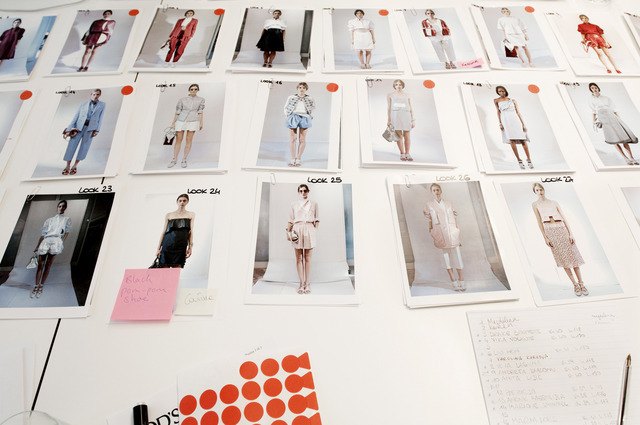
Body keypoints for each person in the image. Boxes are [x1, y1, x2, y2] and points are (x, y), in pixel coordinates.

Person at [532, 183, 587, 297]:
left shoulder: (554, 202)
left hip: (562, 228)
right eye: (537, 190)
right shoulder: (535, 204)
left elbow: (564, 218)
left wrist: (570, 233)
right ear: (535, 192)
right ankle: (575, 285)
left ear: (544, 190)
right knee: (563, 259)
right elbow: (539, 222)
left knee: (573, 257)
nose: (540, 192)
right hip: (550, 231)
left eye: (541, 189)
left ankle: (581, 283)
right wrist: (545, 237)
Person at [423, 183, 465, 291]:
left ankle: (461, 279)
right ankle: (453, 280)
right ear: (431, 192)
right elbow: (429, 217)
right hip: (440, 232)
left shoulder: (449, 203)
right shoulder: (429, 205)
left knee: (457, 255)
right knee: (445, 257)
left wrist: (457, 230)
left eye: (438, 190)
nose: (436, 192)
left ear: (441, 191)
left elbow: (454, 217)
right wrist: (432, 229)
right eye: (434, 190)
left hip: (452, 232)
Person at [588, 83, 638, 165]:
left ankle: (632, 158)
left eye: (595, 87)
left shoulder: (606, 98)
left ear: (598, 88)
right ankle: (626, 159)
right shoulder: (591, 100)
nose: (594, 89)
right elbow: (593, 112)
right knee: (613, 139)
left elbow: (614, 109)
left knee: (623, 137)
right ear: (591, 90)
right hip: (603, 119)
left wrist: (619, 119)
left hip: (612, 116)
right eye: (592, 88)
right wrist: (594, 122)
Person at [31, 200, 71, 298]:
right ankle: (35, 286)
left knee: (48, 265)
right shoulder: (49, 220)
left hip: (56, 241)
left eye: (63, 206)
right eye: (59, 206)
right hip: (46, 240)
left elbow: (67, 232)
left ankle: (41, 286)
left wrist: (61, 241)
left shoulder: (67, 219)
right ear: (57, 207)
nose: (61, 208)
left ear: (65, 208)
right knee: (40, 265)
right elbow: (43, 234)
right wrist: (37, 246)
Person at [62, 88, 105, 176]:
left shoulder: (102, 105)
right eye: (94, 94)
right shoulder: (83, 104)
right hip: (78, 128)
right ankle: (67, 166)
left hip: (90, 129)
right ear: (91, 94)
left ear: (99, 95)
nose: (95, 96)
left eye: (97, 94)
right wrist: (69, 129)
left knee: (84, 148)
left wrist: (97, 130)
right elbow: (75, 117)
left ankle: (75, 166)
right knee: (71, 146)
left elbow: (101, 118)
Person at [286, 184, 319, 294]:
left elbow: (317, 219)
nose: (303, 193)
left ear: (308, 191)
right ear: (298, 192)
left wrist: (314, 230)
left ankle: (307, 283)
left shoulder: (314, 203)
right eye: (301, 191)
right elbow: (291, 220)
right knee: (299, 258)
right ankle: (301, 284)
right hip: (297, 229)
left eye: (305, 191)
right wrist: (288, 233)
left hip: (309, 228)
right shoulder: (293, 204)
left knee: (308, 258)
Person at [494, 85, 533, 170]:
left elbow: (518, 112)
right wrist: (500, 123)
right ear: (497, 92)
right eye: (499, 91)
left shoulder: (512, 100)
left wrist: (523, 124)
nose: (501, 93)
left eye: (503, 91)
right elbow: (498, 112)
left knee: (523, 140)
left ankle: (529, 159)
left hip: (515, 119)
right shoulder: (496, 100)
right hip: (505, 120)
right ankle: (519, 159)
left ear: (505, 91)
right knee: (511, 140)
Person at [168, 84, 204, 168]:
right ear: (189, 90)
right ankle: (174, 159)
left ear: (197, 90)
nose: (193, 90)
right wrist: (173, 123)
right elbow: (177, 112)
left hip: (194, 120)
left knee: (189, 140)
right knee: (178, 140)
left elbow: (200, 112)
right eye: (192, 89)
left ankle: (184, 159)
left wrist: (201, 123)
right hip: (181, 120)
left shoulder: (201, 100)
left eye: (195, 89)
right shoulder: (182, 99)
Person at [156, 194, 195, 268]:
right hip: (167, 244)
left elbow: (191, 232)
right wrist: (158, 248)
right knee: (164, 270)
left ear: (187, 202)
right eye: (180, 200)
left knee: (176, 270)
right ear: (177, 202)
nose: (182, 202)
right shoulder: (169, 215)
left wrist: (190, 247)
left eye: (184, 201)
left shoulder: (191, 214)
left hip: (181, 246)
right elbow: (164, 231)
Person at [284, 82, 315, 167]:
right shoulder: (291, 97)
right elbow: (286, 107)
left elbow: (313, 107)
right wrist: (287, 116)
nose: (302, 89)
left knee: (302, 139)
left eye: (304, 88)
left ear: (306, 89)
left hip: (305, 117)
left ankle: (298, 159)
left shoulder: (310, 98)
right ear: (297, 88)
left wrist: (309, 116)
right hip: (293, 116)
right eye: (300, 87)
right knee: (293, 139)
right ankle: (293, 159)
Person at [387, 79, 415, 161]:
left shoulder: (408, 95)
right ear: (394, 86)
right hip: (395, 117)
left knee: (407, 136)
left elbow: (411, 108)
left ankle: (407, 153)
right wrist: (389, 120)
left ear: (402, 85)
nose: (398, 86)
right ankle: (402, 153)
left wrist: (413, 120)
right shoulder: (390, 95)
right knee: (399, 136)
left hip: (406, 116)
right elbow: (389, 108)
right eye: (396, 84)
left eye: (400, 84)